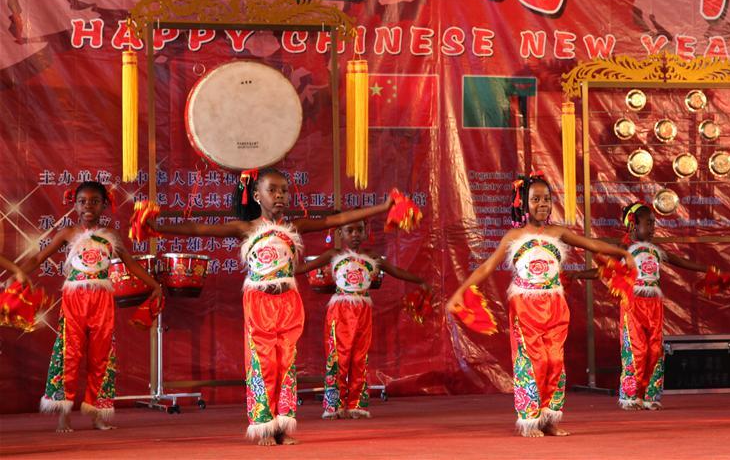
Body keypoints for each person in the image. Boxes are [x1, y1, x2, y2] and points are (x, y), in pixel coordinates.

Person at [144, 167, 396, 446]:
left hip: (289, 301)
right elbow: (200, 229)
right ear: (256, 195)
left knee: (286, 363)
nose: (279, 196)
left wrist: (383, 207)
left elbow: (336, 219)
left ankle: (282, 427)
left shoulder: (295, 227)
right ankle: (264, 426)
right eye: (272, 190)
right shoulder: (247, 228)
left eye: (284, 191)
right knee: (263, 363)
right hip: (259, 300)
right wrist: (158, 227)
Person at [446, 172, 634, 437]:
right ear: (523, 203)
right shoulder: (514, 236)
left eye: (546, 199)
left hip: (555, 304)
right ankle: (529, 420)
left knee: (555, 360)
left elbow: (591, 244)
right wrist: (460, 292)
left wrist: (622, 252)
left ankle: (549, 418)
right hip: (525, 306)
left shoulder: (558, 232)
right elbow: (487, 266)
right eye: (535, 199)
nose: (542, 204)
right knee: (534, 361)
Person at [21, 181, 162, 432]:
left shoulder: (111, 236)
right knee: (69, 354)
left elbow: (131, 265)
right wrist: (16, 273)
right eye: (83, 201)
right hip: (74, 299)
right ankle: (63, 414)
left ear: (104, 205)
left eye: (94, 201)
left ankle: (97, 414)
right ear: (75, 205)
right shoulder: (68, 233)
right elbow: (38, 258)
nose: (88, 206)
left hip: (102, 300)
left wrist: (155, 285)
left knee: (102, 356)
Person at [297, 218, 429, 419]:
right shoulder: (333, 255)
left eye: (359, 230)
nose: (355, 235)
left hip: (362, 311)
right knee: (337, 358)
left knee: (359, 357)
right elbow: (303, 269)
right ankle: (334, 405)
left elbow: (396, 271)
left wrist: (420, 281)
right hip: (339, 312)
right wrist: (275, 272)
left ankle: (356, 403)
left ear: (366, 232)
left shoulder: (372, 257)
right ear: (340, 234)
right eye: (350, 230)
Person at [614, 202, 707, 410]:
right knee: (636, 350)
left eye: (654, 223)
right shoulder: (625, 249)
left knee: (655, 350)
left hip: (654, 305)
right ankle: (630, 396)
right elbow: (605, 268)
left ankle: (650, 395)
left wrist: (706, 269)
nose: (654, 227)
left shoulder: (656, 250)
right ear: (634, 226)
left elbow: (680, 262)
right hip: (633, 305)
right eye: (649, 223)